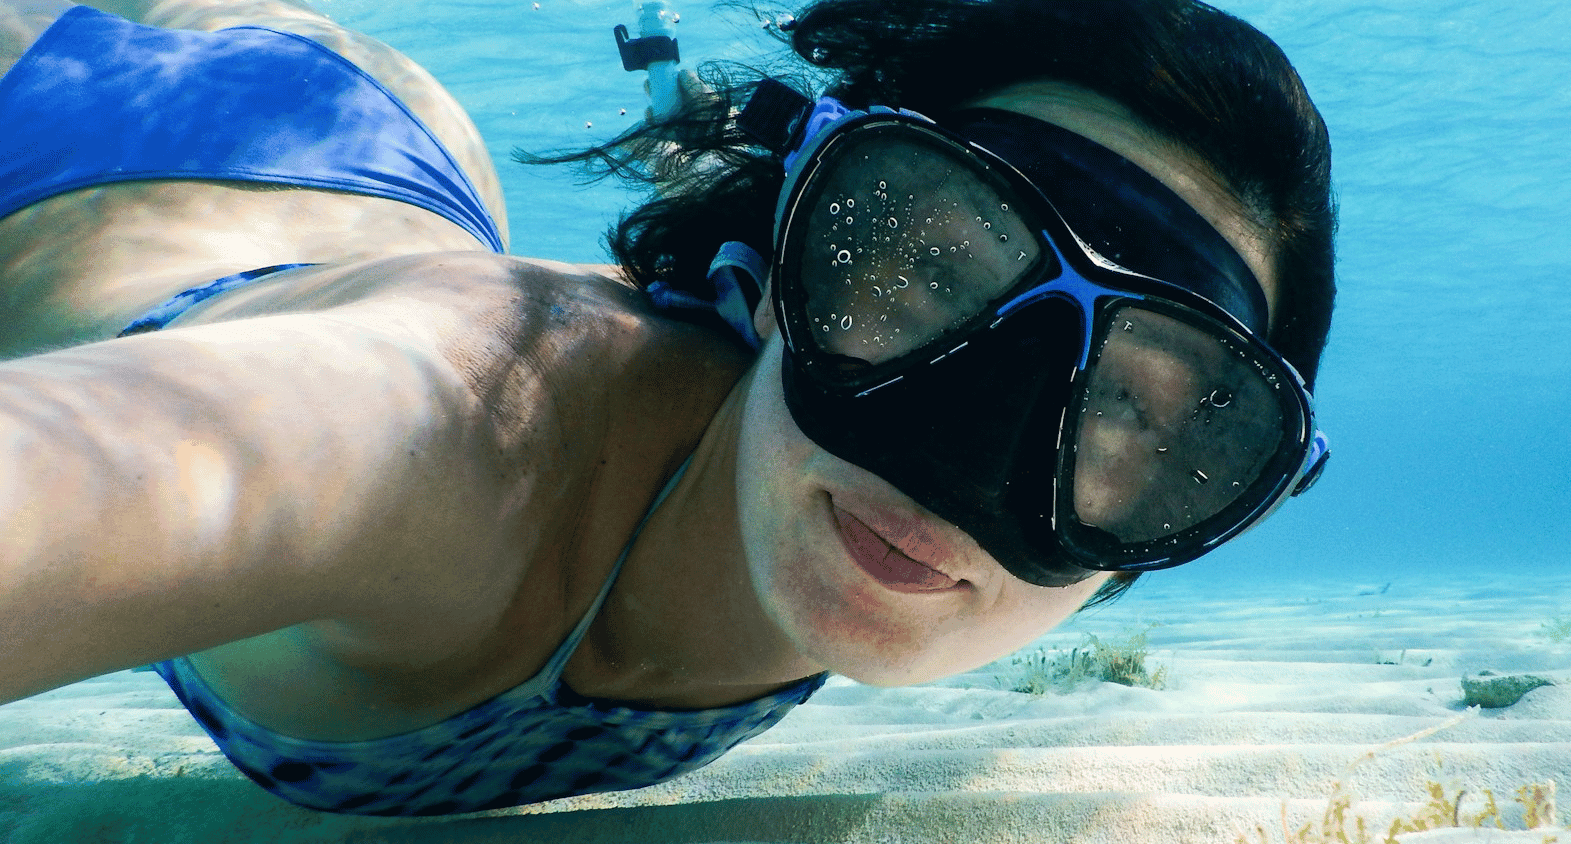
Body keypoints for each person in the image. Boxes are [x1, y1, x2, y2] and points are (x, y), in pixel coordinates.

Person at [0, 0, 1335, 817]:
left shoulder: (808, 490)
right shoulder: (471, 422)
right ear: (783, 269)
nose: (961, 463)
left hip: (399, 162)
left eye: (1132, 412)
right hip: (75, 152)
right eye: (930, 270)